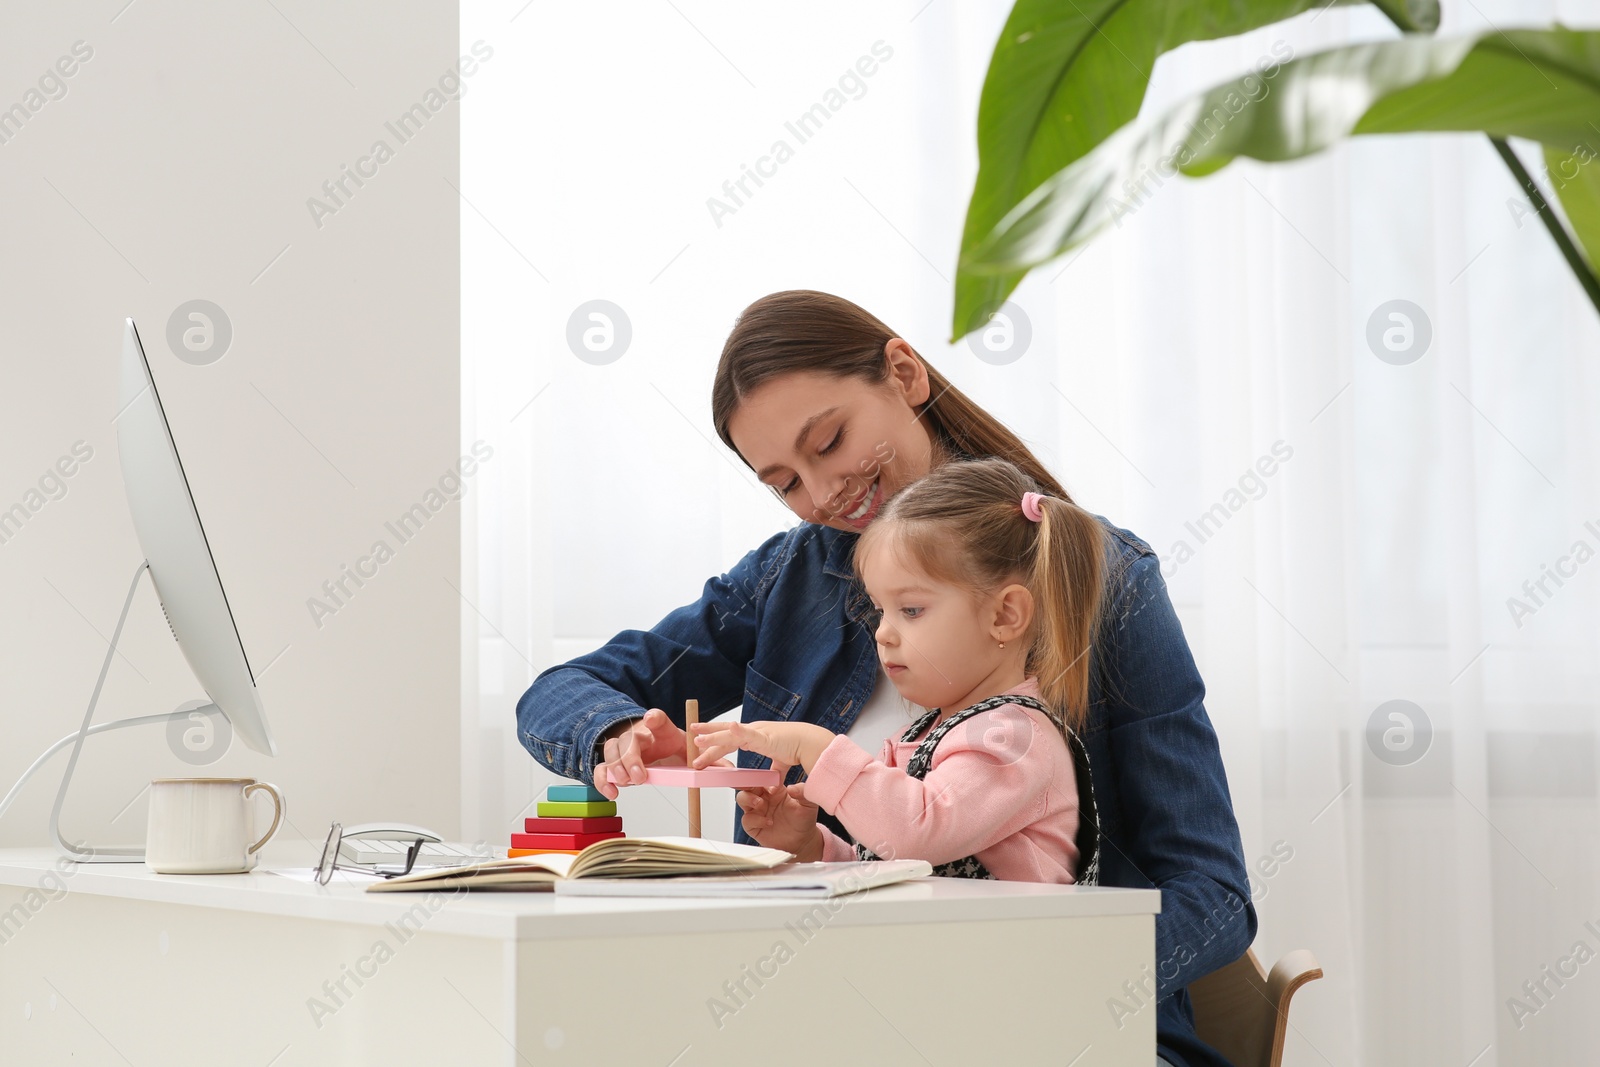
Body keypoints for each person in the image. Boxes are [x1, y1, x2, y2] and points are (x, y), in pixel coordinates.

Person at [516, 290, 1254, 1067]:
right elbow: (561, 690)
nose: (823, 492)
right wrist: (616, 731)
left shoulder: (1106, 582)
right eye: (785, 482)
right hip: (823, 1022)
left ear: (904, 373)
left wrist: (1042, 973)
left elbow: (1213, 896)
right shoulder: (785, 579)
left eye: (829, 441)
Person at [688, 458, 1100, 883]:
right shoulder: (931, 735)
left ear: (1005, 615)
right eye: (881, 611)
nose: (883, 634)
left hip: (1009, 951)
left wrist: (816, 747)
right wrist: (811, 846)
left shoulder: (1012, 737)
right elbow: (896, 866)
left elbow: (918, 832)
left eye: (911, 610)